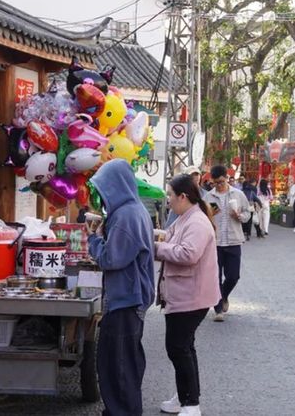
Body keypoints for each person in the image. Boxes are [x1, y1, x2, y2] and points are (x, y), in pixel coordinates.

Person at [87, 159, 155, 415]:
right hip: (129, 298)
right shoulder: (132, 210)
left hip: (127, 299)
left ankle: (122, 411)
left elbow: (111, 259)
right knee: (123, 361)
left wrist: (93, 239)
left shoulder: (127, 216)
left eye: (104, 189)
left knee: (119, 365)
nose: (102, 196)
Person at [155, 174, 221, 416]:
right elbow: (171, 239)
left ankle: (191, 403)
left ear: (183, 196)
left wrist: (157, 248)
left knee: (178, 347)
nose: (168, 200)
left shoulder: (197, 222)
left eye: (171, 195)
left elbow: (188, 254)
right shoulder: (187, 217)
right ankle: (185, 397)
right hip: (184, 293)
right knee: (184, 347)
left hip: (191, 296)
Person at [204, 165, 251, 322]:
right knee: (215, 276)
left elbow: (247, 213)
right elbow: (202, 218)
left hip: (233, 240)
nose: (219, 185)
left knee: (233, 276)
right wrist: (209, 216)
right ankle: (218, 309)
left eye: (221, 181)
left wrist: (240, 217)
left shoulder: (238, 194)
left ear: (227, 178)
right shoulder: (208, 197)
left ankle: (223, 295)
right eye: (215, 182)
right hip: (215, 243)